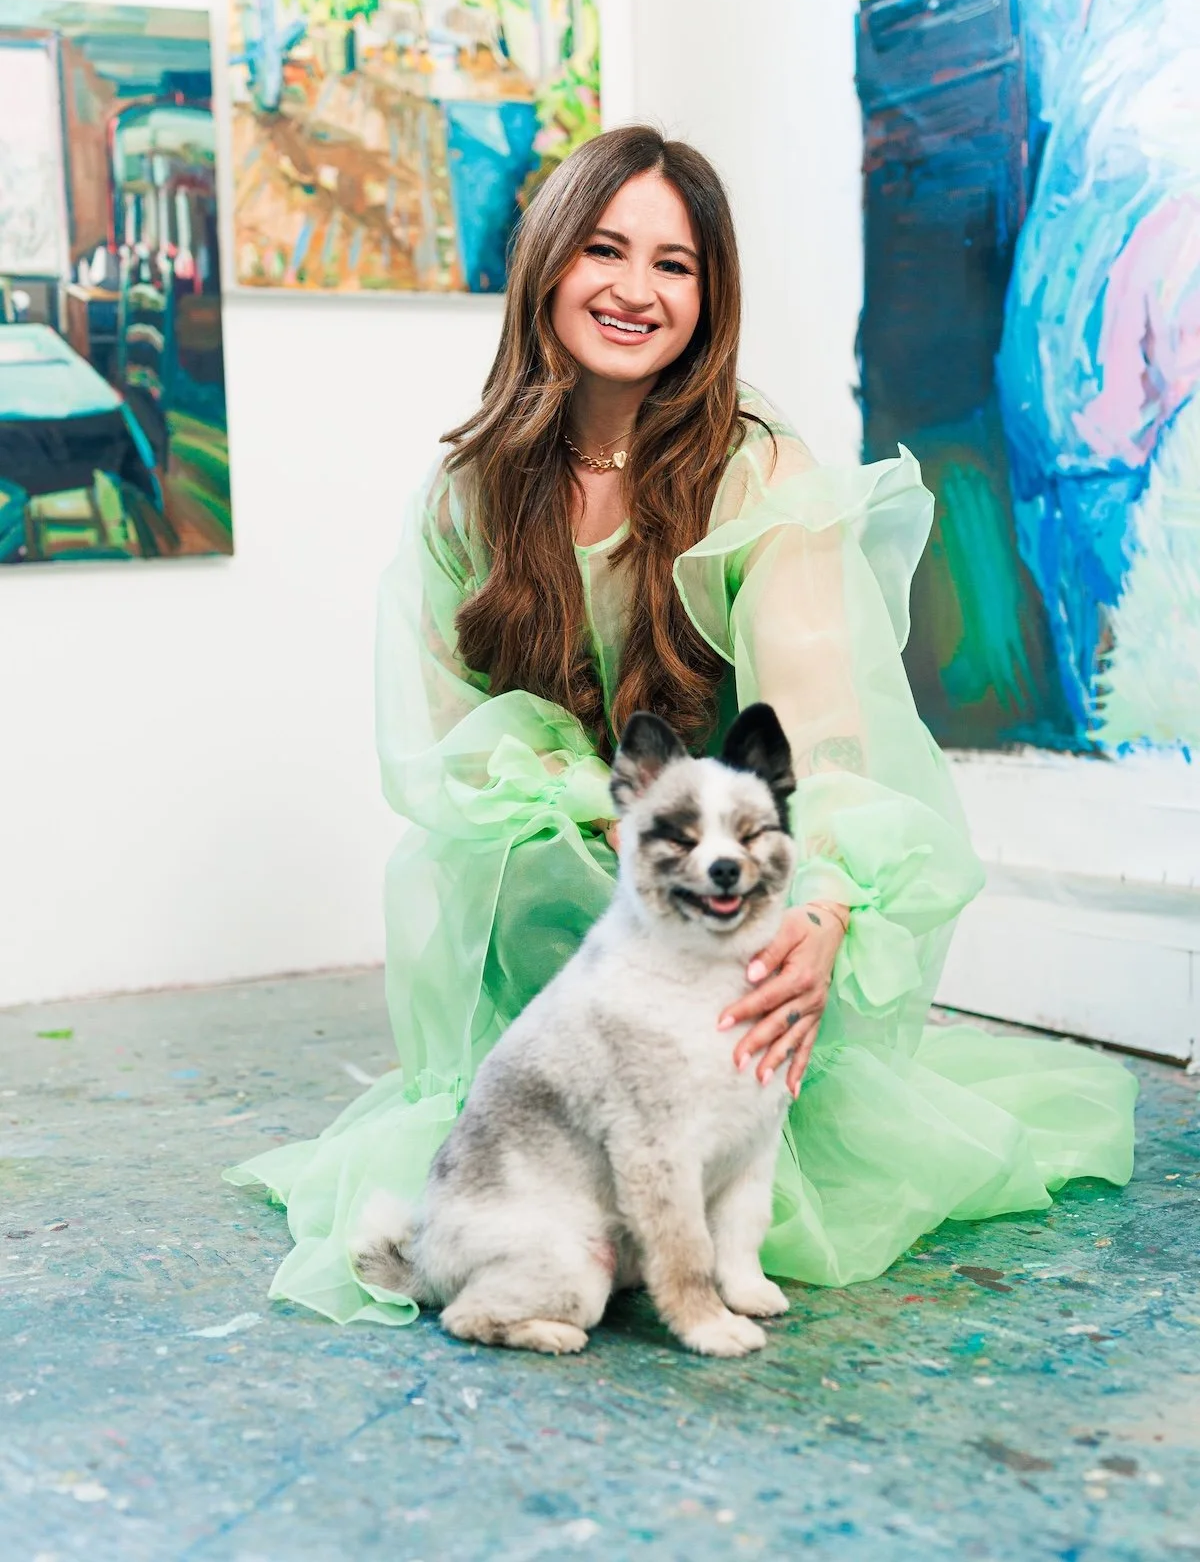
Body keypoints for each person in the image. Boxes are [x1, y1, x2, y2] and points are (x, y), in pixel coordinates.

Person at [228, 127, 1136, 1326]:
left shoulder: (755, 471)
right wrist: (591, 817)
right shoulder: (471, 491)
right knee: (508, 868)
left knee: (727, 990)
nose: (636, 290)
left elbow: (819, 735)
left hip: (727, 902)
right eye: (605, 250)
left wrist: (823, 905)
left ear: (710, 299)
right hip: (587, 901)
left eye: (676, 265)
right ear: (548, 264)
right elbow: (451, 748)